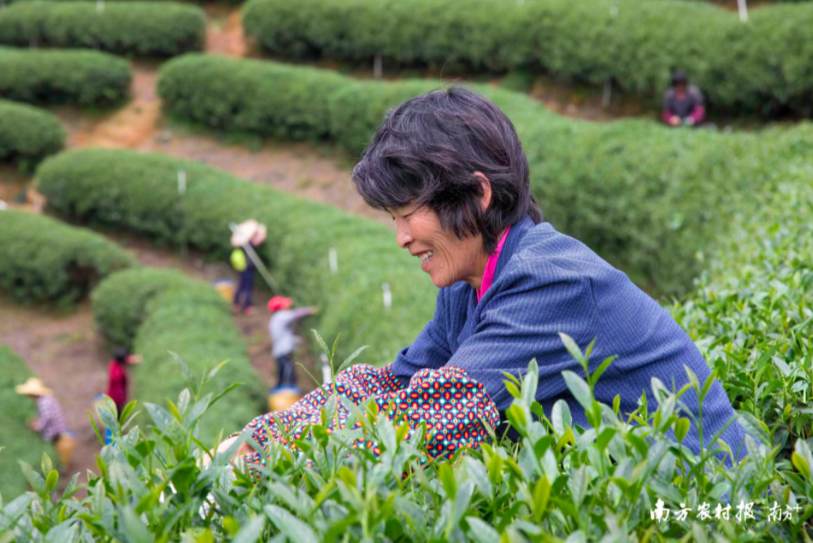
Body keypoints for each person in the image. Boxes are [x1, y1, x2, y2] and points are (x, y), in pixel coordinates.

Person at [219, 86, 747, 474]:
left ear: (477, 195)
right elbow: (396, 383)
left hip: (709, 506)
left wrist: (259, 461)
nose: (400, 238)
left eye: (408, 214)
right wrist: (256, 435)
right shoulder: (469, 281)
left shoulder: (550, 281)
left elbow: (437, 414)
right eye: (392, 219)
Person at [16, 377, 76, 471]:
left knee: (55, 445)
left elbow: (47, 418)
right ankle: (59, 460)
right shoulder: (46, 399)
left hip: (55, 428)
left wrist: (37, 425)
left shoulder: (43, 403)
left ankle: (59, 464)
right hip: (59, 425)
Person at [266, 296, 317, 389]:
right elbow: (295, 314)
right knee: (289, 374)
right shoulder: (280, 316)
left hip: (279, 351)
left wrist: (299, 340)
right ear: (281, 308)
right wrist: (309, 310)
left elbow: (284, 335)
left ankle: (280, 392)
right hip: (283, 351)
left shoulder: (274, 319)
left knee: (282, 374)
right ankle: (289, 394)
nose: (288, 307)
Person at [231, 219, 267, 315]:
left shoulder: (244, 242)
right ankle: (246, 306)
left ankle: (236, 304)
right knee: (247, 286)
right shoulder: (246, 244)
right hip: (246, 267)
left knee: (242, 285)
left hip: (243, 267)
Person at [106, 347, 141, 418]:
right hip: (115, 400)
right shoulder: (117, 371)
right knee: (116, 419)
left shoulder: (114, 365)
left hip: (117, 399)